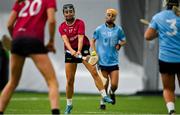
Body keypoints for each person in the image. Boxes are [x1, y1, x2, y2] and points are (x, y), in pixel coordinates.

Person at [0, 0, 60, 114]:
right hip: (34, 40)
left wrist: (18, 40)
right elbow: (51, 20)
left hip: (17, 40)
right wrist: (51, 41)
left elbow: (9, 24)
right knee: (52, 81)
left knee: (12, 82)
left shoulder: (21, 0)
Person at [58, 4, 113, 114]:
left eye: (70, 11)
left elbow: (80, 38)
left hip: (82, 48)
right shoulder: (61, 27)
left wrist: (78, 51)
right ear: (64, 14)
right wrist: (72, 51)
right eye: (66, 12)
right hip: (69, 52)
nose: (69, 13)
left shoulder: (80, 23)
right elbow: (66, 41)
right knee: (69, 80)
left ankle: (104, 96)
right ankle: (69, 105)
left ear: (74, 12)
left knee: (94, 71)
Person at [144, 0, 180, 114]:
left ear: (166, 3)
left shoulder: (158, 17)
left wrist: (160, 32)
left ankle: (171, 111)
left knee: (168, 88)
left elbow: (148, 36)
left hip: (166, 59)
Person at [91, 8, 126, 110]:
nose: (109, 17)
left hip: (113, 61)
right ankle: (102, 103)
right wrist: (94, 53)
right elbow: (92, 40)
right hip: (102, 61)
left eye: (111, 15)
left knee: (114, 85)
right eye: (108, 15)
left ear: (115, 18)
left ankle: (112, 92)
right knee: (104, 84)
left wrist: (120, 44)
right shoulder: (99, 29)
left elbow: (123, 40)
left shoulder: (118, 30)